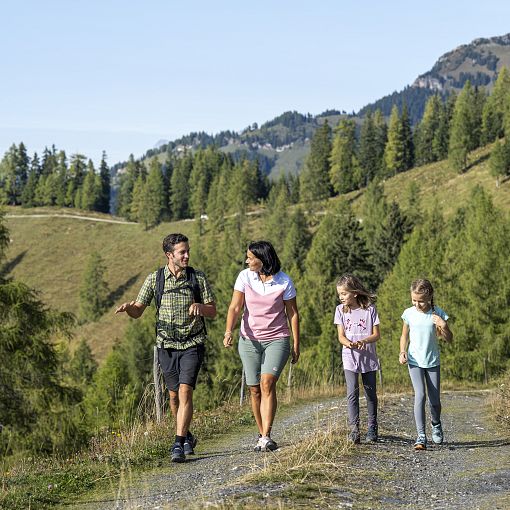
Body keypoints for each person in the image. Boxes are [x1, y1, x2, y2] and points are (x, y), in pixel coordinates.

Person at [115, 233, 216, 463]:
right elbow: (139, 310)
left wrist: (201, 307)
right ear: (169, 255)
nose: (187, 255)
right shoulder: (155, 279)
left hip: (192, 343)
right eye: (182, 252)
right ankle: (187, 435)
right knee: (173, 397)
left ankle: (178, 443)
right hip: (166, 346)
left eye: (187, 250)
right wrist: (129, 308)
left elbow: (213, 310)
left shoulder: (197, 277)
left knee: (184, 391)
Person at [224, 241, 300, 452]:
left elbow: (292, 314)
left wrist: (296, 343)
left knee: (267, 383)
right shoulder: (245, 276)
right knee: (254, 389)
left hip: (277, 338)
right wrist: (228, 331)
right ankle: (261, 434)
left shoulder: (284, 281)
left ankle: (266, 435)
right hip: (249, 340)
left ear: (262, 259)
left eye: (250, 257)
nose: (247, 260)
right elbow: (235, 306)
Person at [399, 278, 453, 450]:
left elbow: (449, 339)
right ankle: (421, 436)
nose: (417, 304)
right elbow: (404, 336)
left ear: (429, 297)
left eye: (420, 301)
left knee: (435, 401)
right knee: (420, 395)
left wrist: (443, 325)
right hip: (414, 361)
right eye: (414, 300)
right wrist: (402, 351)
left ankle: (436, 423)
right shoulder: (409, 313)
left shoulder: (437, 313)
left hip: (432, 362)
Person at [334, 274, 381, 444]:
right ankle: (354, 430)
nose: (341, 297)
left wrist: (363, 341)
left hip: (368, 357)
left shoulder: (370, 309)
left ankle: (372, 427)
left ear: (354, 292)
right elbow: (340, 335)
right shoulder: (340, 310)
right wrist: (348, 343)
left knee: (370, 393)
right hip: (349, 356)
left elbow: (376, 334)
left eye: (344, 294)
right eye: (339, 294)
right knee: (352, 392)